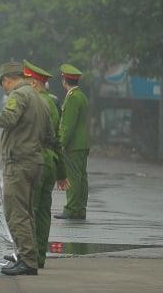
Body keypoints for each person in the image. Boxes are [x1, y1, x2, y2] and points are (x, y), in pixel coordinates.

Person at [0, 61, 55, 276]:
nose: (5, 89)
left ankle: (27, 260)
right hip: (35, 161)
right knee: (27, 212)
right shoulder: (41, 98)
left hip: (18, 162)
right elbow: (50, 135)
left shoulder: (18, 95)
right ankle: (28, 254)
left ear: (7, 80)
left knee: (16, 213)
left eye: (3, 85)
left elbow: (9, 118)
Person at [22, 60, 68, 269]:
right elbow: (56, 140)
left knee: (29, 209)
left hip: (35, 159)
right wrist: (61, 173)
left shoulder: (34, 102)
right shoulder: (53, 101)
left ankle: (28, 257)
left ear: (33, 83)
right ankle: (39, 255)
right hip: (50, 161)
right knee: (42, 211)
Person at [54, 63, 90, 221]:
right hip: (82, 143)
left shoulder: (73, 98)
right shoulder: (81, 95)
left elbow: (68, 125)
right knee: (81, 177)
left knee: (73, 178)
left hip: (73, 145)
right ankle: (80, 208)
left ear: (64, 79)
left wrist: (60, 144)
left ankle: (72, 209)